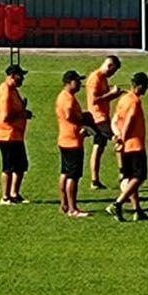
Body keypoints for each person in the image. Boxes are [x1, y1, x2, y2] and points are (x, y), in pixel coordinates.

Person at [107, 72, 148, 221]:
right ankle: (118, 203)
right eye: (145, 85)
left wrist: (117, 136)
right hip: (134, 144)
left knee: (130, 178)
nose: (146, 88)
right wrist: (123, 139)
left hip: (125, 146)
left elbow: (114, 120)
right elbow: (129, 121)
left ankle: (137, 210)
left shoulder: (123, 99)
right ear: (138, 86)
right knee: (139, 176)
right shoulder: (134, 101)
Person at [0, 63, 32, 205]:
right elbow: (5, 117)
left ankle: (14, 194)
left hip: (16, 134)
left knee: (20, 166)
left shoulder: (13, 90)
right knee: (8, 167)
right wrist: (23, 114)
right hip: (7, 135)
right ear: (12, 76)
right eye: (20, 76)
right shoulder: (5, 92)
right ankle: (5, 197)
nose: (22, 79)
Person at [85, 55, 124, 189]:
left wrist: (114, 95)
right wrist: (113, 94)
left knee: (98, 147)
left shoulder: (102, 79)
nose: (113, 74)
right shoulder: (95, 78)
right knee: (119, 139)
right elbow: (95, 100)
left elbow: (103, 99)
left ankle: (95, 180)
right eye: (113, 71)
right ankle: (123, 173)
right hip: (98, 118)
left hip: (102, 116)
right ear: (110, 66)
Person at [55, 69, 91, 218]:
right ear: (69, 82)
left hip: (64, 139)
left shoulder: (63, 96)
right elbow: (69, 114)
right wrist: (82, 123)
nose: (80, 84)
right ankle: (72, 208)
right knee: (73, 176)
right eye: (77, 81)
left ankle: (64, 204)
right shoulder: (68, 98)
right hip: (73, 141)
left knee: (65, 173)